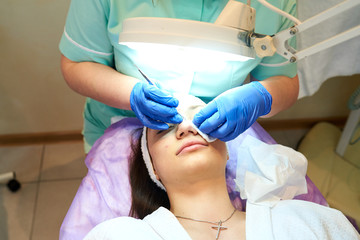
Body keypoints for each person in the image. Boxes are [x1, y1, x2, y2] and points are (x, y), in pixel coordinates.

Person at [83, 96, 359, 240]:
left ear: (227, 149)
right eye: (165, 129)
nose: (187, 128)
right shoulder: (121, 235)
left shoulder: (310, 221)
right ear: (153, 169)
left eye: (201, 121)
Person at [60, 0, 300, 153]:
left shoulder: (273, 5)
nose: (186, 130)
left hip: (221, 136)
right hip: (119, 130)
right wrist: (130, 94)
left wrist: (261, 97)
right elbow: (78, 64)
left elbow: (284, 81)